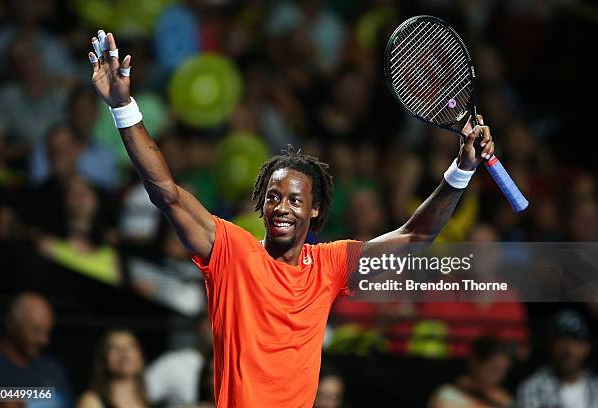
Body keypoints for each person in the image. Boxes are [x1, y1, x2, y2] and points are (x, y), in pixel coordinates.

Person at [87, 29, 496, 407]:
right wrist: (124, 106)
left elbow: (413, 238)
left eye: (295, 199)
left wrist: (461, 170)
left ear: (314, 209)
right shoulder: (232, 250)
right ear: (262, 206)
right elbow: (167, 193)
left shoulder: (330, 265)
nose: (282, 206)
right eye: (273, 196)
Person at [0, 292, 73, 407]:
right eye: (36, 331)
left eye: (47, 332)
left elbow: (67, 400)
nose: (44, 341)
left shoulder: (52, 369)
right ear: (12, 325)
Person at [517, 310, 598, 408]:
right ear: (550, 345)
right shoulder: (532, 389)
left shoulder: (595, 387)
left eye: (575, 340)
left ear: (587, 347)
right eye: (561, 340)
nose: (568, 349)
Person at [429, 337, 513, 408]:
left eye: (503, 371)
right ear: (474, 362)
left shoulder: (504, 398)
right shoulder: (447, 395)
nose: (499, 376)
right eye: (493, 368)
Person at [78, 328, 150, 408]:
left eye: (131, 346)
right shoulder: (91, 401)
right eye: (114, 348)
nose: (124, 352)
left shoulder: (147, 401)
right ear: (104, 358)